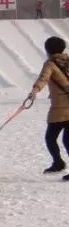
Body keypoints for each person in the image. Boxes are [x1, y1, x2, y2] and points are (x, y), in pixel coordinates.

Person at [24, 36, 69, 176]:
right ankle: (58, 163)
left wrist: (34, 91)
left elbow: (43, 78)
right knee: (66, 139)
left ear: (48, 50)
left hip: (60, 109)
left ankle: (58, 162)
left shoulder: (50, 64)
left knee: (51, 138)